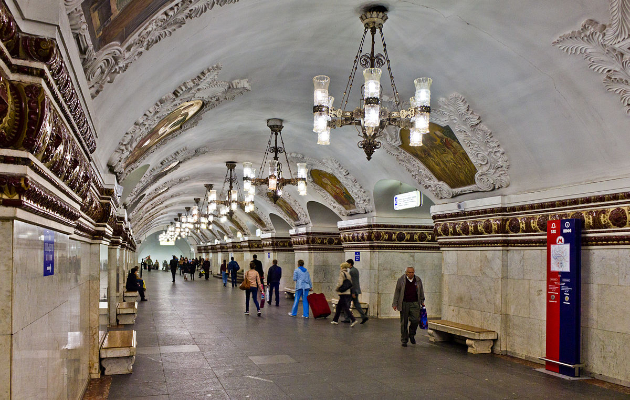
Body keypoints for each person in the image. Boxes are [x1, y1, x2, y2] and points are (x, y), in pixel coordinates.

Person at [392, 267, 425, 347]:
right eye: (409, 272)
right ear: (406, 273)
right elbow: (397, 292)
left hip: (415, 303)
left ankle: (412, 334)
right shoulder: (401, 280)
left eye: (412, 272)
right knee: (404, 323)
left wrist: (422, 301)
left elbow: (421, 290)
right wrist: (394, 303)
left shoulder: (417, 280)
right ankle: (404, 340)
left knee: (415, 320)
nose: (411, 274)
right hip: (404, 303)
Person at [342, 259, 368, 324]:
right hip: (356, 290)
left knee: (346, 304)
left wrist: (352, 292)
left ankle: (347, 318)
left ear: (350, 264)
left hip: (352, 291)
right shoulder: (356, 270)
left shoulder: (351, 271)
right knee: (357, 304)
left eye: (347, 263)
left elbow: (352, 282)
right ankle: (363, 316)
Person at [331, 262, 357, 326]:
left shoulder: (342, 273)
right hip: (347, 292)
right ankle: (335, 320)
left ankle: (353, 319)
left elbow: (340, 283)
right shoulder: (348, 274)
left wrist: (337, 289)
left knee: (345, 307)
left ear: (342, 267)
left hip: (343, 292)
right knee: (339, 307)